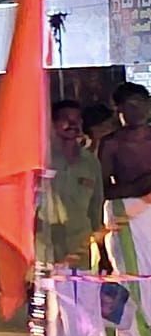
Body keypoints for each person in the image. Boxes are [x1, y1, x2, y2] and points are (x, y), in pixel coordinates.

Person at [97, 83, 151, 336]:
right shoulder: (111, 144)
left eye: (142, 103)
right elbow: (102, 190)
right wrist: (139, 188)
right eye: (129, 105)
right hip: (125, 219)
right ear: (118, 111)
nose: (137, 111)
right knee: (131, 286)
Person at [40, 99, 105, 268]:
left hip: (80, 250)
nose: (73, 124)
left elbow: (96, 208)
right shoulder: (40, 161)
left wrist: (103, 253)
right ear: (52, 123)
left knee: (82, 293)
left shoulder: (91, 162)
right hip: (45, 247)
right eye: (66, 119)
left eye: (77, 119)